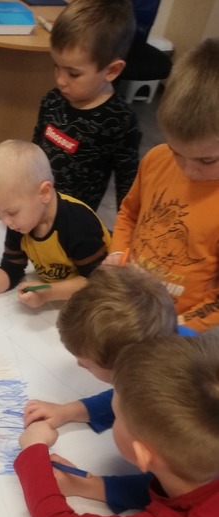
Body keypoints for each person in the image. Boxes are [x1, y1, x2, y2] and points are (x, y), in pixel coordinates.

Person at [15, 334, 219, 517]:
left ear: (141, 453)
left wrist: (34, 449)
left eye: (115, 415)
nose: (113, 415)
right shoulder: (203, 459)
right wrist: (90, 486)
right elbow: (181, 489)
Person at [107, 38, 219, 333]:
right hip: (134, 304)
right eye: (176, 151)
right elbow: (129, 213)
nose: (188, 169)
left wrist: (179, 328)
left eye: (207, 160)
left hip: (183, 327)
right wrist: (117, 256)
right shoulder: (156, 159)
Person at [24, 265, 196, 433]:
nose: (79, 365)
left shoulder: (166, 408)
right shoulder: (166, 334)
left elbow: (126, 398)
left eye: (88, 366)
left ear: (125, 371)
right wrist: (68, 411)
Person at [0, 140, 110, 306]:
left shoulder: (78, 223)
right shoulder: (20, 224)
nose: (6, 222)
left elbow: (96, 282)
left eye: (11, 212)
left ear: (44, 193)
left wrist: (48, 293)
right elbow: (10, 270)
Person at [32, 0, 139, 213]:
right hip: (36, 209)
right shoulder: (52, 100)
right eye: (56, 67)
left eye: (73, 74)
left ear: (112, 71)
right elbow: (34, 151)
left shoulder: (120, 120)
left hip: (75, 221)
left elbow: (127, 185)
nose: (60, 80)